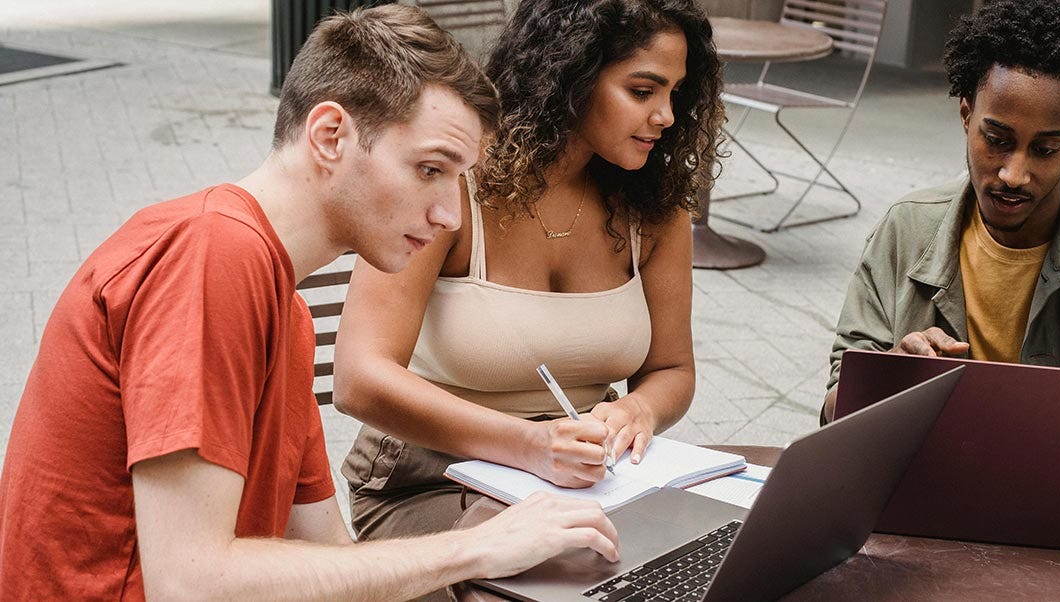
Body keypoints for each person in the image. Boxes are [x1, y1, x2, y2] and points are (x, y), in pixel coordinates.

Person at [0, 6, 621, 600]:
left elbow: (324, 549)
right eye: (431, 169)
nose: (449, 214)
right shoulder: (212, 254)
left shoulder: (285, 309)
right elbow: (190, 582)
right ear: (330, 135)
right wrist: (479, 549)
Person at [821, 1, 1060, 597]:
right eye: (996, 140)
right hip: (937, 506)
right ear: (966, 114)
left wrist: (1054, 465)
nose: (1014, 174)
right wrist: (890, 378)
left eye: (1046, 148)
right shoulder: (906, 230)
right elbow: (833, 412)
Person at [334, 0, 722, 561]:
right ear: (573, 75)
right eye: (643, 91)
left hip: (587, 479)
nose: (665, 115)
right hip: (432, 475)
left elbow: (671, 369)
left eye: (675, 94)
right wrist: (531, 445)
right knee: (563, 571)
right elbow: (359, 378)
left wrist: (641, 411)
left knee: (709, 559)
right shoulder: (454, 177)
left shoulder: (653, 207)